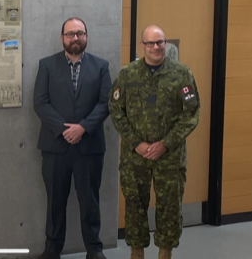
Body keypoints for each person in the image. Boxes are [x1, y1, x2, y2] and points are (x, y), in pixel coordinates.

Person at [108, 25, 200, 259]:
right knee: (135, 206)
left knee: (170, 207)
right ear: (143, 46)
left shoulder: (181, 74)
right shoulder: (128, 75)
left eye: (160, 42)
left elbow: (191, 113)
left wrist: (166, 143)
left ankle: (165, 254)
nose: (156, 47)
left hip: (169, 156)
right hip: (135, 157)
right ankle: (136, 253)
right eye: (150, 43)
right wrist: (136, 143)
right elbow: (116, 111)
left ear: (165, 43)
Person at [34, 18, 112, 259]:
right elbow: (40, 102)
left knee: (90, 202)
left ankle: (94, 249)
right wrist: (64, 129)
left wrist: (83, 128)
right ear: (62, 38)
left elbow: (106, 102)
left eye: (80, 33)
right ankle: (53, 248)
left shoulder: (101, 66)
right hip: (56, 147)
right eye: (70, 34)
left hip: (89, 146)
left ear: (86, 36)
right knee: (55, 202)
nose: (75, 38)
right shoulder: (47, 65)